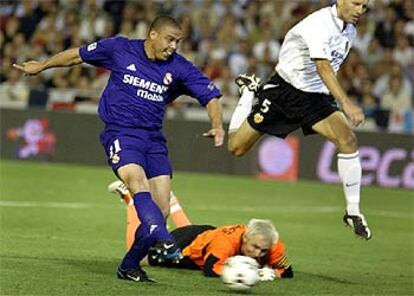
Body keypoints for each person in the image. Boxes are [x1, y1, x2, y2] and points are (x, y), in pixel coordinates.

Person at [13, 15, 224, 282]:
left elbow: (211, 95)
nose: (174, 46)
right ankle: (166, 241)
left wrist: (217, 123)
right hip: (121, 133)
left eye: (178, 42)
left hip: (154, 140)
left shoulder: (179, 67)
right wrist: (42, 66)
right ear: (153, 35)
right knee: (137, 183)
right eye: (170, 40)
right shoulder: (120, 48)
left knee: (161, 211)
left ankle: (129, 266)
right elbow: (76, 56)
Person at [227, 0, 372, 239]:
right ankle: (249, 93)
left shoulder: (350, 30)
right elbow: (323, 66)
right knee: (236, 147)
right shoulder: (319, 24)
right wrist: (346, 103)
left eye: (364, 6)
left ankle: (353, 211)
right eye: (356, 3)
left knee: (348, 139)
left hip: (315, 97)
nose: (360, 10)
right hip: (284, 92)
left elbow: (330, 69)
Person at [148, 219, 293, 280]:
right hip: (189, 244)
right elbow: (210, 269)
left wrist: (273, 273)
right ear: (245, 238)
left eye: (263, 251)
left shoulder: (271, 244)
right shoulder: (225, 244)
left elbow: (287, 270)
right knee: (153, 258)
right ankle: (132, 200)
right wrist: (254, 273)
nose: (257, 254)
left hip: (212, 235)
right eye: (255, 247)